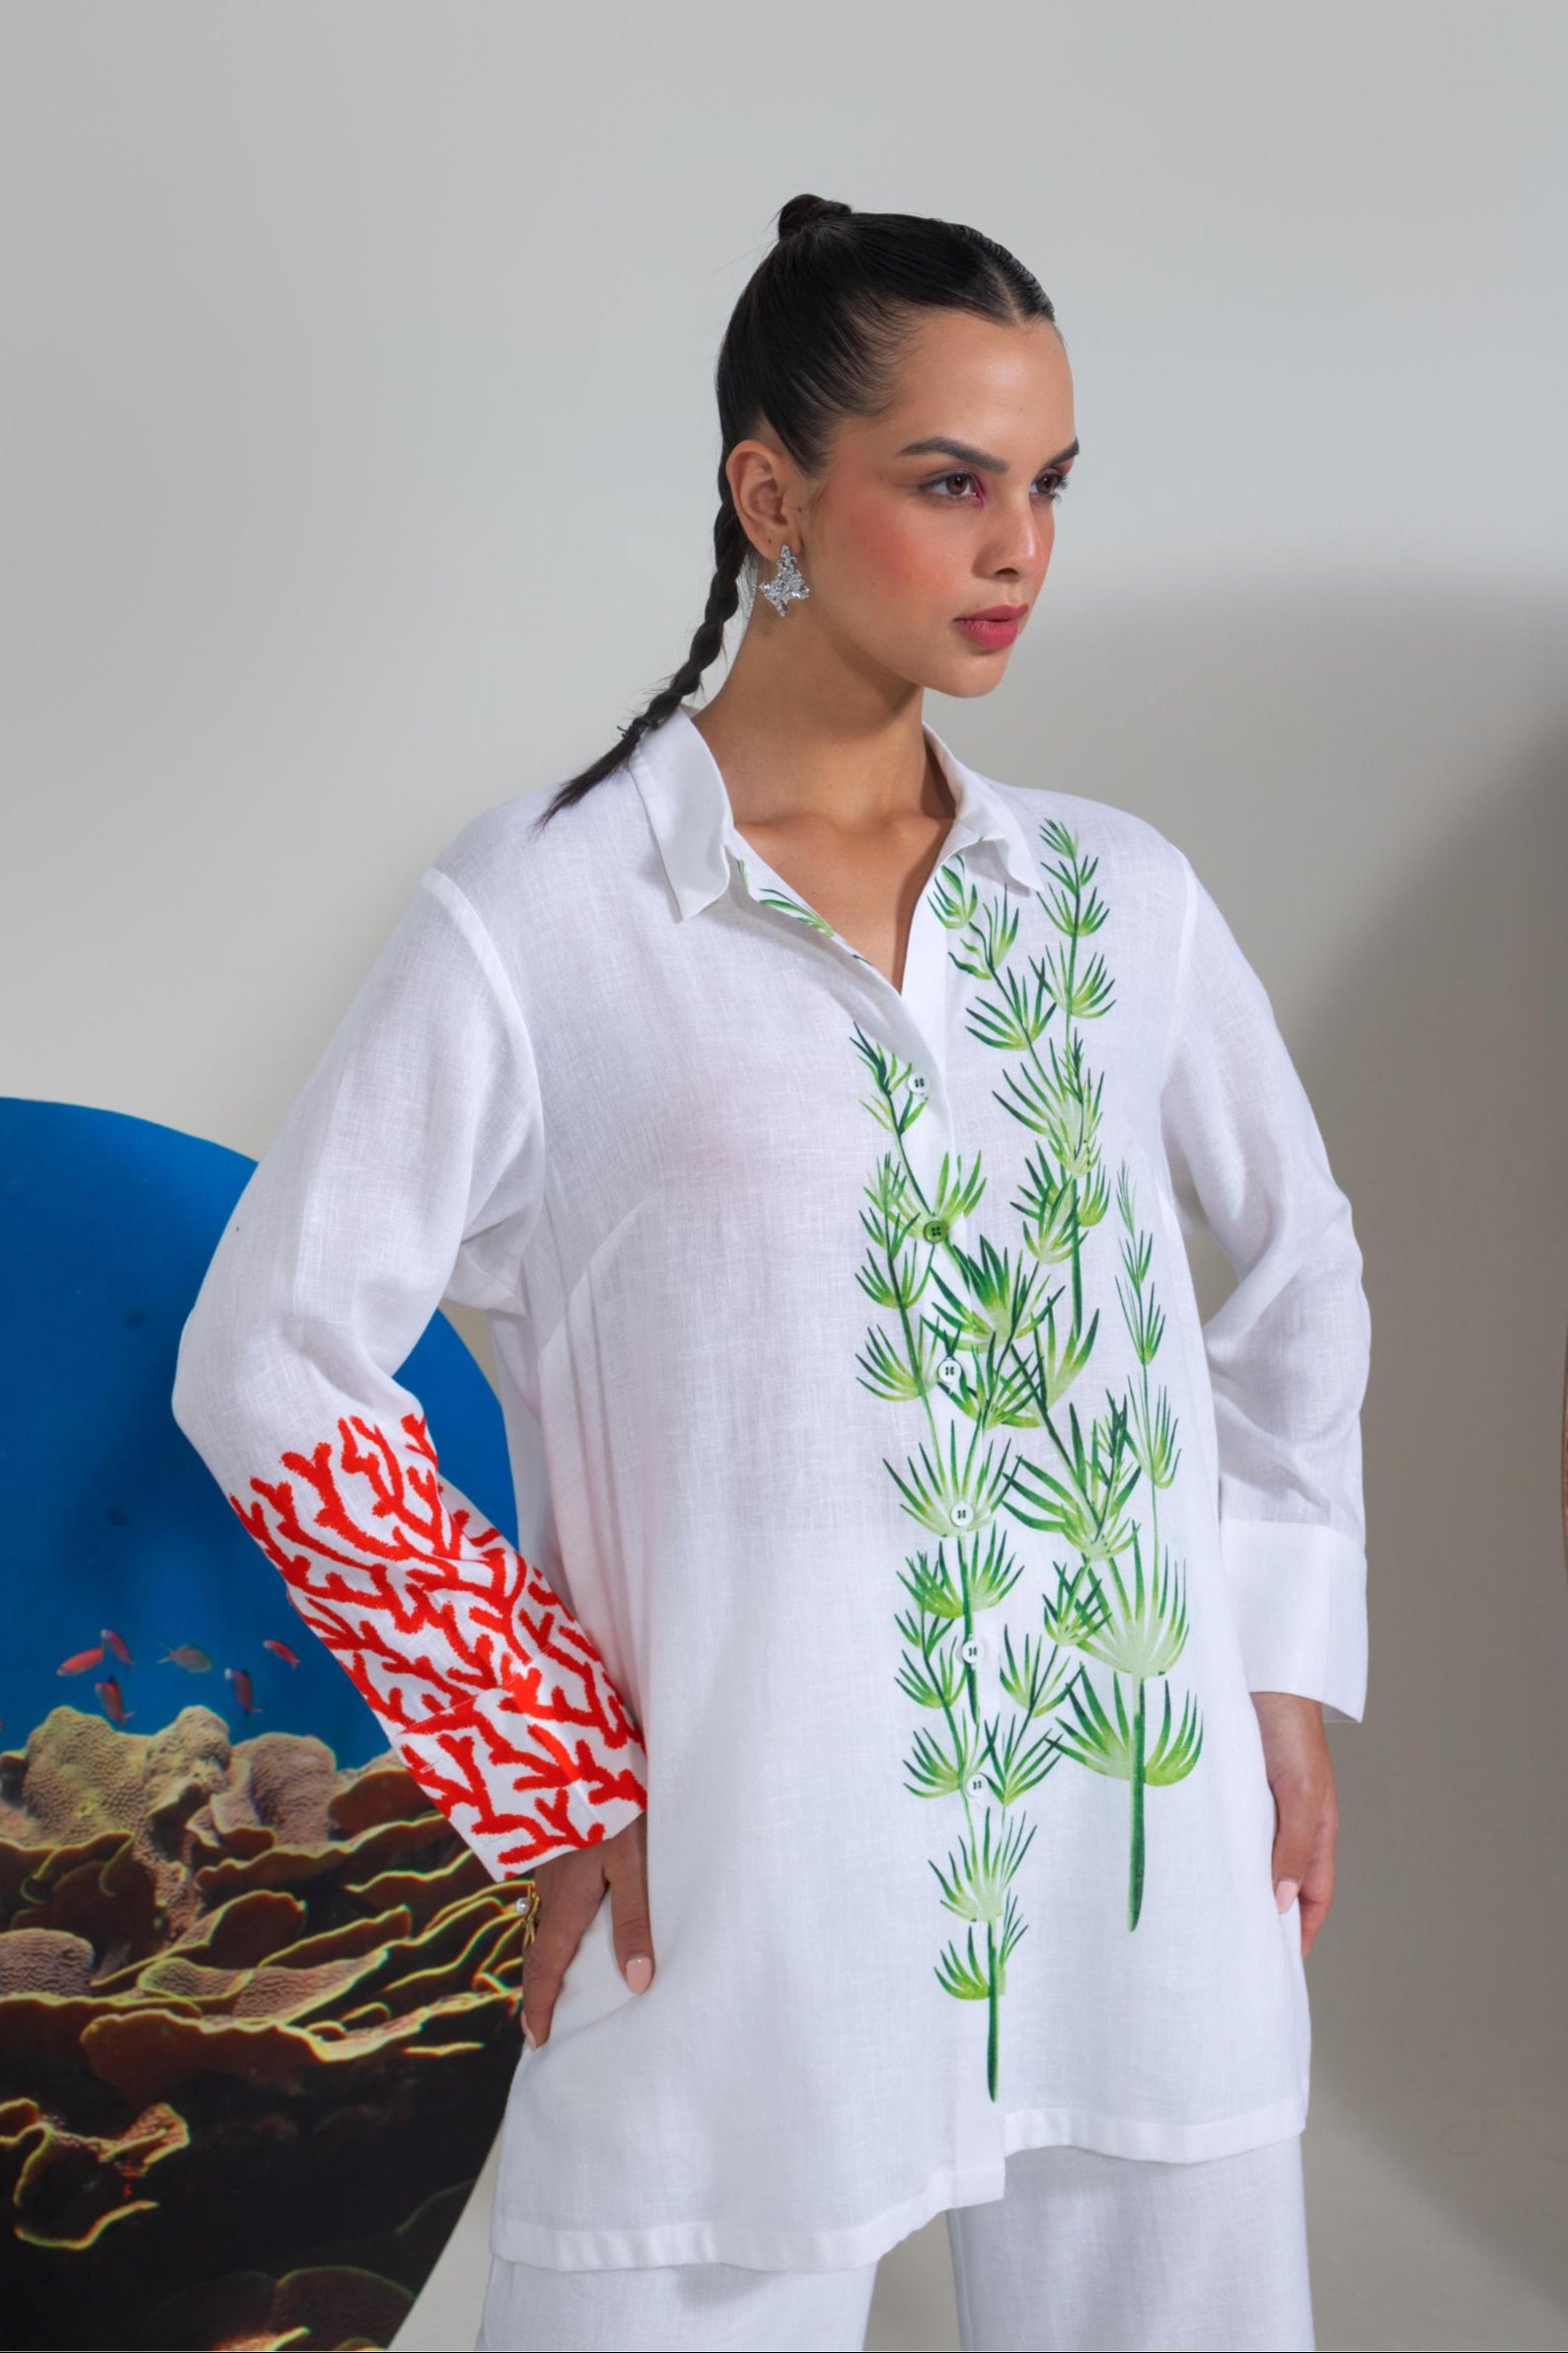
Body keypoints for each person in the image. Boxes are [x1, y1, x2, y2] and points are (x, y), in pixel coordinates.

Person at [171, 193, 1370, 2352]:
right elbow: (269, 1354)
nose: (1019, 546)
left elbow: (1297, 1263)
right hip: (738, 1871)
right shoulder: (551, 909)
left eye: (1049, 484)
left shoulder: (1116, 900)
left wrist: (1274, 1661)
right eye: (952, 481)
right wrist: (540, 1767)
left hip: (1134, 1854)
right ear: (771, 494)